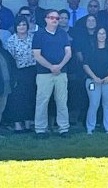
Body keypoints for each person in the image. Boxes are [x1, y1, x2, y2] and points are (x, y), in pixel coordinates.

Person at [33, 10, 72, 138]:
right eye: (51, 17)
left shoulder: (63, 34)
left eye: (57, 18)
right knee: (42, 101)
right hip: (44, 74)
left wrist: (59, 66)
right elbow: (36, 55)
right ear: (46, 19)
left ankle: (64, 128)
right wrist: (51, 67)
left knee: (62, 101)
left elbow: (68, 53)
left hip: (61, 73)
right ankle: (40, 129)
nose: (54, 20)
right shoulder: (39, 34)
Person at [82, 27, 108, 134]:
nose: (102, 35)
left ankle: (107, 127)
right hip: (92, 81)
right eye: (99, 33)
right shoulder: (90, 48)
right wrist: (94, 77)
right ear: (96, 35)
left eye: (104, 33)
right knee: (94, 103)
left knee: (107, 103)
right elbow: (85, 65)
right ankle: (90, 128)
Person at [6, 18, 37, 133]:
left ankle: (28, 124)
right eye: (19, 25)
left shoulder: (33, 38)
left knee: (30, 97)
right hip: (17, 71)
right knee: (18, 99)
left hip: (32, 70)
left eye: (24, 24)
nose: (22, 27)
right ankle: (18, 124)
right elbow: (10, 59)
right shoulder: (11, 40)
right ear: (15, 27)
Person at [68, 15, 99, 125]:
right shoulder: (80, 36)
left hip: (99, 70)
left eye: (93, 20)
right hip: (83, 71)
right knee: (83, 95)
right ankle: (82, 119)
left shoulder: (100, 35)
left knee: (96, 97)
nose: (91, 22)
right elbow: (78, 53)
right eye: (89, 20)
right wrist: (87, 65)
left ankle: (96, 120)